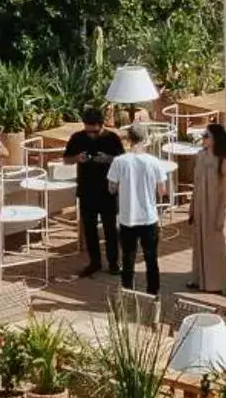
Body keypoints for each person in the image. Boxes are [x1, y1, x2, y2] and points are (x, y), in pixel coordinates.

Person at [108, 122, 171, 294]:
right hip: (148, 217)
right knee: (151, 259)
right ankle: (153, 294)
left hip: (127, 217)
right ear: (145, 139)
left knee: (128, 259)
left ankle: (127, 293)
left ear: (129, 139)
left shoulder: (119, 161)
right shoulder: (153, 162)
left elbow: (111, 188)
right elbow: (162, 190)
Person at [64, 102, 123, 278]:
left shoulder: (112, 138)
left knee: (110, 229)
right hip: (86, 189)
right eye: (88, 130)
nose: (91, 134)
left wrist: (107, 159)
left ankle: (113, 262)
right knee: (89, 229)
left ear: (102, 125)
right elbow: (66, 159)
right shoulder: (77, 138)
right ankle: (94, 262)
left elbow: (122, 160)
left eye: (94, 131)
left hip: (107, 190)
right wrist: (77, 158)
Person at [189, 121, 226, 294]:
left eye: (206, 136)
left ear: (215, 139)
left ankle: (220, 283)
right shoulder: (200, 157)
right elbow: (195, 185)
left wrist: (220, 215)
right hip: (201, 207)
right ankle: (199, 279)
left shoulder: (223, 162)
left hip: (216, 208)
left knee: (218, 246)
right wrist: (192, 208)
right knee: (201, 244)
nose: (203, 139)